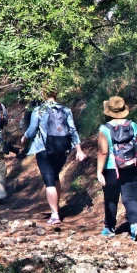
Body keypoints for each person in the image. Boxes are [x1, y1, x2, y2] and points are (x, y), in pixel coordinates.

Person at [21, 91, 86, 225]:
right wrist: (79, 149)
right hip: (61, 149)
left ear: (43, 94)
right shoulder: (65, 110)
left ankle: (55, 214)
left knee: (49, 181)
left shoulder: (39, 110)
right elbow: (72, 130)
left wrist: (25, 137)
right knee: (55, 176)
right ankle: (56, 208)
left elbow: (32, 130)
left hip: (43, 150)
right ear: (56, 94)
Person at [96, 96, 137, 240]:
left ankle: (109, 228)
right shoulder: (132, 125)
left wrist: (99, 172)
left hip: (112, 169)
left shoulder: (104, 129)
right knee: (131, 199)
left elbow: (103, 151)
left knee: (111, 199)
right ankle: (136, 227)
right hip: (132, 166)